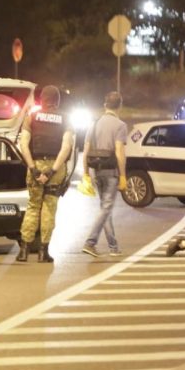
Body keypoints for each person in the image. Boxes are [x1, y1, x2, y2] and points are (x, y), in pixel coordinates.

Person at [17, 85, 74, 262]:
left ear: (41, 100)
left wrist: (33, 169)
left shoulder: (31, 117)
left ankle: (24, 251)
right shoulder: (66, 118)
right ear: (57, 101)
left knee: (33, 206)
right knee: (49, 208)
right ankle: (43, 252)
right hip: (55, 168)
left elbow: (23, 144)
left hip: (35, 163)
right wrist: (52, 170)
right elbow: (66, 147)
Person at [81, 91, 127, 258]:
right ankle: (90, 242)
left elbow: (86, 151)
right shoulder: (120, 125)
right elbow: (119, 151)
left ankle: (113, 246)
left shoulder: (93, 124)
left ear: (104, 105)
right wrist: (123, 175)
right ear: (120, 106)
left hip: (95, 171)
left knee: (104, 208)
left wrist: (86, 173)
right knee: (106, 207)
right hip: (111, 172)